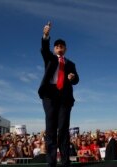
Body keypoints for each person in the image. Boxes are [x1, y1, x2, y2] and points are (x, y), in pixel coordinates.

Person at [38, 21, 79, 167]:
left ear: (66, 49)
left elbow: (77, 80)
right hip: (50, 96)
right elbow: (44, 49)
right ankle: (51, 162)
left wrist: (72, 78)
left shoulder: (71, 64)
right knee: (50, 130)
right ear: (54, 49)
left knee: (63, 129)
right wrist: (45, 35)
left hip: (64, 98)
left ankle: (65, 161)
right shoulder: (50, 59)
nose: (59, 49)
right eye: (57, 47)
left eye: (62, 47)